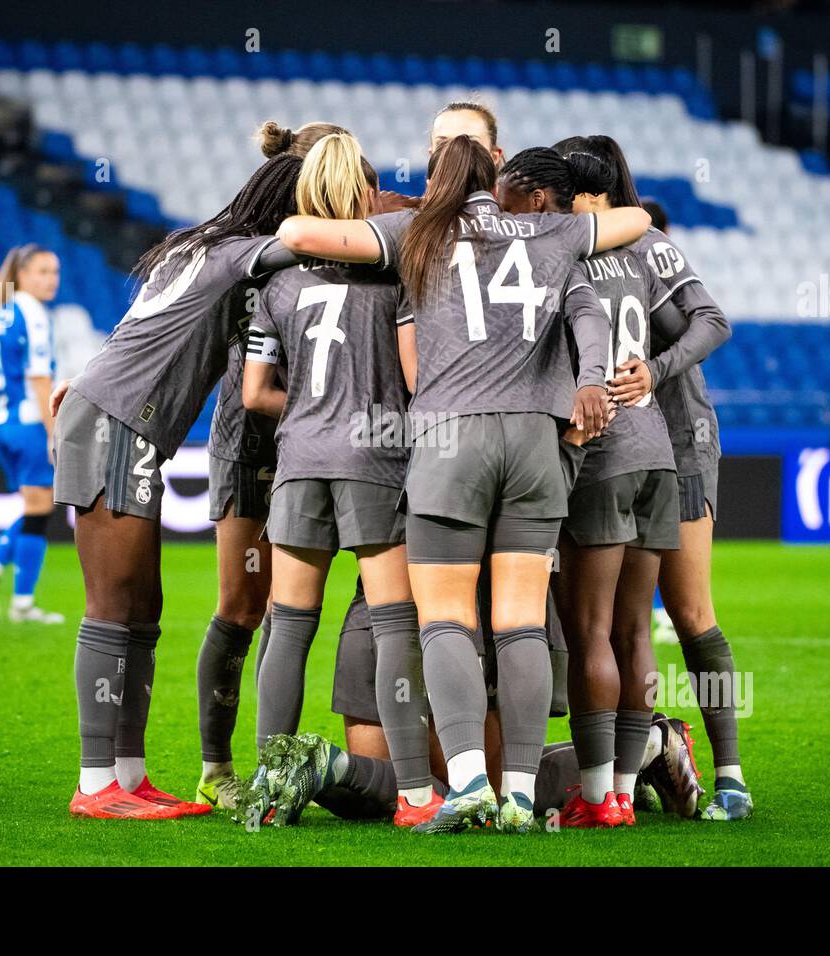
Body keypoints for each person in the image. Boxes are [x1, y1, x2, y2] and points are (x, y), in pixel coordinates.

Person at [275, 136, 651, 833]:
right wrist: (592, 376)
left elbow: (298, 231)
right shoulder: (552, 231)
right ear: (501, 181)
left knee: (447, 618)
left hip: (451, 442)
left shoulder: (419, 229)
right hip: (537, 442)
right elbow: (633, 228)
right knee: (521, 622)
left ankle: (470, 781)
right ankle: (518, 792)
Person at [49, 153, 304, 819]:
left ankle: (128, 778)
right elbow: (305, 240)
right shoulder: (238, 255)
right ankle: (95, 784)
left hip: (119, 418)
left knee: (144, 608)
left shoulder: (202, 245)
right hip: (115, 421)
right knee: (112, 606)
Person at [242, 133, 440, 826]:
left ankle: (270, 791)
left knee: (288, 627)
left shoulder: (278, 282)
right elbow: (419, 380)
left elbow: (251, 394)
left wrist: (306, 413)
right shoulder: (397, 276)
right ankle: (416, 792)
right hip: (374, 462)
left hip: (299, 461)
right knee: (395, 626)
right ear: (363, 194)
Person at [558, 134, 750, 821]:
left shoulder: (646, 243)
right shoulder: (590, 246)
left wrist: (658, 370)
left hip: (678, 439)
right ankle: (635, 763)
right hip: (628, 447)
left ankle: (728, 774)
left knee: (688, 612)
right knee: (614, 623)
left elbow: (711, 321)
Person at [195, 120, 348, 810]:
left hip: (311, 441)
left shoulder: (336, 242)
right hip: (252, 442)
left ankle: (275, 762)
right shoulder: (262, 245)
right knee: (245, 604)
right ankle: (217, 764)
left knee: (291, 606)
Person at [0, 245, 66, 624]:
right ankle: (9, 588)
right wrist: (53, 432)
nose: (51, 279)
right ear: (22, 275)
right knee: (40, 509)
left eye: (55, 272)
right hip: (27, 424)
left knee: (35, 507)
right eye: (42, 271)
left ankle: (8, 589)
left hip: (1, 424)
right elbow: (40, 380)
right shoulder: (33, 313)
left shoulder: (3, 313)